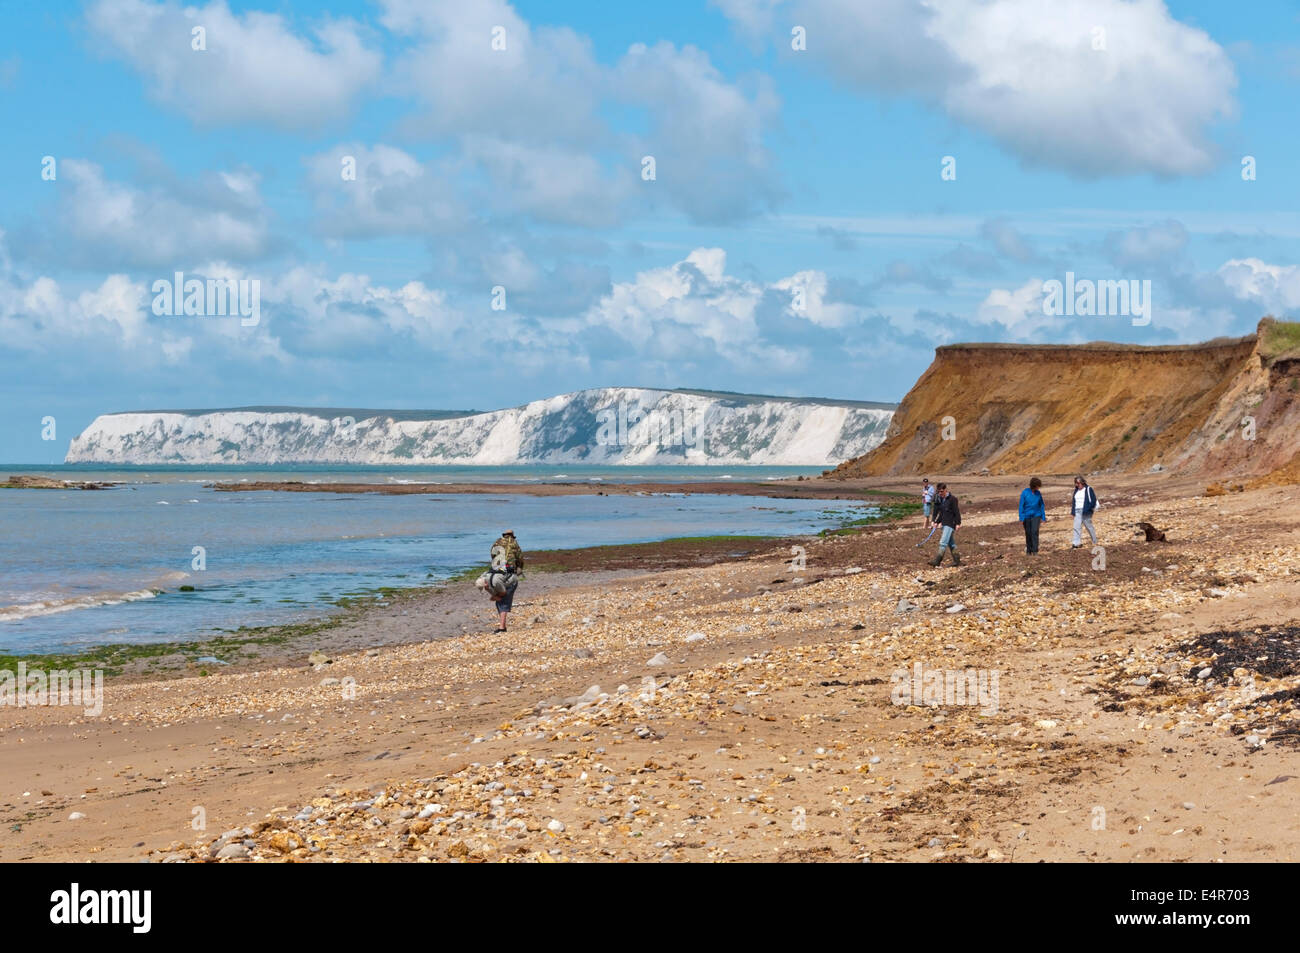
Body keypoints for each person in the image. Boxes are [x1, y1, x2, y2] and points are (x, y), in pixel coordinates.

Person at [488, 530, 524, 632]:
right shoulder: (514, 543)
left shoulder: (498, 541)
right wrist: (520, 568)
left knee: (500, 598)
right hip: (509, 573)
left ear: (504, 535)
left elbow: (492, 553)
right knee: (505, 599)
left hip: (497, 572)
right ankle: (502, 627)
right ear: (512, 536)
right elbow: (520, 558)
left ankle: (502, 626)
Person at [928, 483, 961, 567]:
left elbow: (957, 512)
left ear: (946, 489)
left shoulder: (953, 499)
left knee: (943, 542)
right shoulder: (942, 500)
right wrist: (936, 522)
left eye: (942, 491)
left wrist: (958, 523)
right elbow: (942, 513)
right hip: (944, 523)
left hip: (950, 524)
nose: (940, 493)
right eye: (938, 492)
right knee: (951, 543)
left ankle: (937, 561)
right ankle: (957, 561)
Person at [1018, 477, 1047, 554]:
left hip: (1036, 515)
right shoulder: (1025, 492)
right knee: (1028, 533)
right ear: (1034, 485)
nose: (1039, 487)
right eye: (1038, 486)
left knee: (1034, 532)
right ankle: (1029, 550)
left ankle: (1035, 550)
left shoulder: (1038, 493)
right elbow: (1021, 505)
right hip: (1026, 516)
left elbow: (1041, 505)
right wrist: (1021, 517)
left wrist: (1043, 517)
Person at [1070, 476, 1098, 548]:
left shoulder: (1088, 489)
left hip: (1086, 511)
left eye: (1078, 483)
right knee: (1076, 527)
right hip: (1077, 511)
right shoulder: (1076, 490)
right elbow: (1074, 502)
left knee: (1089, 526)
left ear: (1082, 482)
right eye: (1075, 483)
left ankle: (1094, 541)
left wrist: (1088, 509)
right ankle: (1076, 543)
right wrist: (1072, 512)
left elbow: (1093, 500)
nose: (1077, 485)